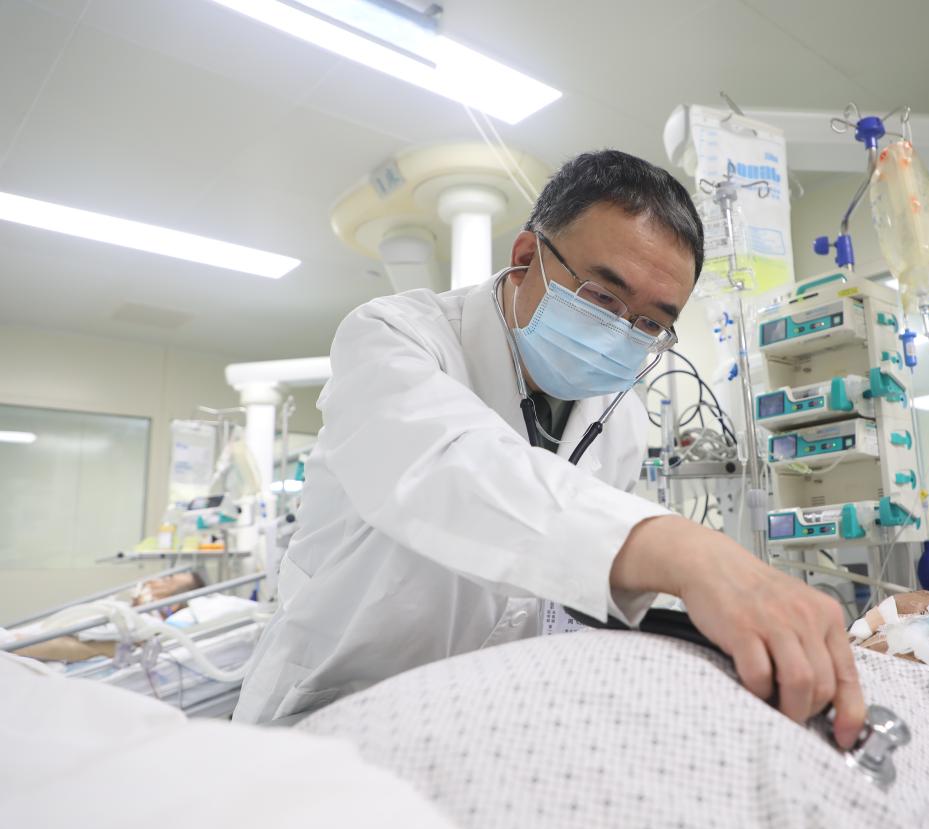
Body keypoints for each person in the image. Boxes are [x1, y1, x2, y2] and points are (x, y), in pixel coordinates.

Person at [234, 150, 864, 745]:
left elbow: (581, 576)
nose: (619, 333)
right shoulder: (394, 338)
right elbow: (449, 470)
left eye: (650, 323)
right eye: (602, 296)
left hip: (487, 720)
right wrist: (687, 552)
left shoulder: (620, 416)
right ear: (525, 255)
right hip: (333, 708)